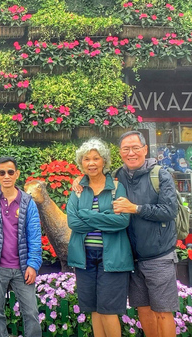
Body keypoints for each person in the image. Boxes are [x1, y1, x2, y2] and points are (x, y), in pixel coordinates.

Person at [112, 130, 179, 337]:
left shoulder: (160, 174)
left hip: (159, 255)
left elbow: (169, 211)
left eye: (135, 148)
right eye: (126, 149)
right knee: (143, 310)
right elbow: (93, 179)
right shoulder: (117, 176)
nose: (131, 153)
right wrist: (79, 181)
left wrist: (136, 208)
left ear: (145, 150)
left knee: (162, 311)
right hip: (132, 258)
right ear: (120, 152)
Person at [66, 139, 133, 337]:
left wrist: (86, 214)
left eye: (96, 158)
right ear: (81, 163)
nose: (91, 163)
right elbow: (73, 223)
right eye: (87, 159)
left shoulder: (116, 187)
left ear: (104, 161)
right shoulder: (78, 189)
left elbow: (121, 221)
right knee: (94, 308)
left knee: (108, 309)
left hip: (112, 256)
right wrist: (105, 219)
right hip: (84, 257)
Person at [0, 156, 43, 337]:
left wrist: (33, 264)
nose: (6, 176)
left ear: (17, 174)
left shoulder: (27, 202)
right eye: (2, 172)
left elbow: (35, 235)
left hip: (22, 268)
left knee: (31, 312)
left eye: (10, 172)